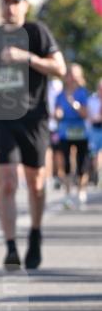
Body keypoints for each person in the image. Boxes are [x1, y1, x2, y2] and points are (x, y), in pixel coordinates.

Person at [0, 0, 66, 270]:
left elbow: (61, 69)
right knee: (7, 181)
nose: (9, 7)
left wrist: (28, 58)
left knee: (35, 183)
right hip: (4, 117)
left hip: (34, 117)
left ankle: (34, 233)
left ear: (25, 6)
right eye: (5, 2)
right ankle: (10, 246)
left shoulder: (37, 32)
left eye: (15, 2)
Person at [54, 63, 90, 208]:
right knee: (66, 163)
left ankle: (81, 192)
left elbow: (85, 113)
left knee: (82, 163)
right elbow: (56, 114)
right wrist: (58, 114)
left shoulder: (83, 93)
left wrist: (74, 104)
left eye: (74, 74)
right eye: (69, 74)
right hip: (65, 131)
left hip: (80, 131)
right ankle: (68, 193)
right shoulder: (60, 95)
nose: (72, 78)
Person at [86, 77, 102, 187]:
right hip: (94, 129)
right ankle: (97, 175)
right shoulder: (92, 100)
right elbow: (88, 116)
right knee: (95, 154)